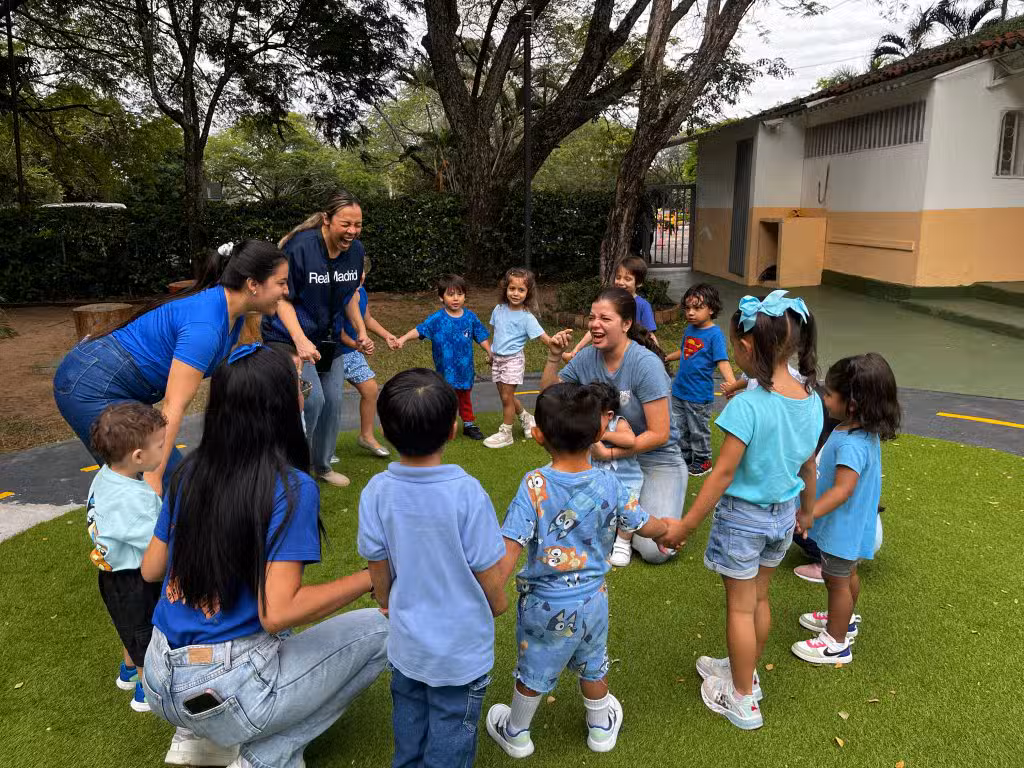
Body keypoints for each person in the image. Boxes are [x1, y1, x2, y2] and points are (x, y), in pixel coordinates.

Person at [140, 344, 388, 768]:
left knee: (274, 628)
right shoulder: (289, 487)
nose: (303, 393)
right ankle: (263, 759)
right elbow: (278, 611)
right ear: (280, 405)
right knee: (383, 630)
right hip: (226, 688)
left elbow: (151, 570)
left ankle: (197, 739)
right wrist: (371, 577)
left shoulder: (189, 471)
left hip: (158, 678)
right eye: (300, 387)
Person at [658, 290, 822, 730]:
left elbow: (722, 474)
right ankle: (744, 672)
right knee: (759, 599)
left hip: (743, 521)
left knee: (740, 608)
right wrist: (807, 513)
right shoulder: (809, 397)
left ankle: (742, 697)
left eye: (735, 348)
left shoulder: (748, 407)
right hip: (783, 516)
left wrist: (686, 526)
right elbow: (809, 465)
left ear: (748, 347)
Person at [485, 383, 669, 758]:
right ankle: (600, 728)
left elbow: (510, 547)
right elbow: (642, 523)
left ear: (538, 435)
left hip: (544, 605)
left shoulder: (534, 485)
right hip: (593, 600)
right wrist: (667, 529)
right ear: (600, 431)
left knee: (535, 669)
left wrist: (490, 593)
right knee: (593, 662)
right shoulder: (609, 483)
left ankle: (516, 732)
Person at [357, 368, 508, 767]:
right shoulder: (467, 493)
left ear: (385, 432)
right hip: (461, 651)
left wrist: (385, 601)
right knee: (450, 737)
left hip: (408, 644)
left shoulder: (376, 491)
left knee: (409, 729)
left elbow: (377, 562)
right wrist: (498, 603)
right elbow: (486, 569)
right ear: (453, 430)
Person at [54, 239, 289, 494]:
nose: (286, 291)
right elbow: (173, 406)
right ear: (253, 284)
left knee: (175, 484)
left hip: (110, 380)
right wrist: (153, 478)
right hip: (91, 386)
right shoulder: (205, 327)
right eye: (281, 283)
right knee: (156, 485)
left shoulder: (231, 313)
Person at [543, 287, 684, 565]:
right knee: (563, 515)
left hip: (656, 458)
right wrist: (553, 357)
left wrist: (609, 453)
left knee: (653, 550)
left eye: (605, 318)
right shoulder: (586, 358)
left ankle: (651, 503)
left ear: (626, 324)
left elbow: (660, 434)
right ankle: (621, 515)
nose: (595, 324)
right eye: (592, 317)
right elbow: (550, 398)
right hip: (601, 459)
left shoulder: (646, 364)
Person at [791, 353, 900, 665]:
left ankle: (835, 642)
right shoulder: (857, 431)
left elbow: (843, 489)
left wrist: (810, 513)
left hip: (843, 527)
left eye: (829, 393)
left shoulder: (852, 443)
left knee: (836, 580)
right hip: (848, 525)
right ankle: (845, 620)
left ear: (851, 404)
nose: (824, 398)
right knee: (845, 574)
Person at [261, 189, 371, 488]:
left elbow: (348, 295)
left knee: (333, 401)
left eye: (358, 225)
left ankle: (322, 466)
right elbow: (281, 299)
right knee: (312, 401)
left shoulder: (356, 252)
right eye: (345, 224)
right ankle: (294, 469)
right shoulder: (300, 248)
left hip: (328, 339)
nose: (352, 231)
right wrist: (299, 341)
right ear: (326, 219)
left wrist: (360, 330)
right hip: (287, 336)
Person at [86, 403, 166, 714]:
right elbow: (157, 545)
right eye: (160, 445)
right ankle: (148, 692)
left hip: (111, 575)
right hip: (135, 579)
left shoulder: (106, 476)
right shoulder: (134, 501)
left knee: (129, 626)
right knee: (145, 633)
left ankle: (128, 671)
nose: (164, 450)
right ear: (138, 457)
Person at [392, 274, 493, 440]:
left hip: (465, 369)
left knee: (464, 396)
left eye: (460, 294)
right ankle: (446, 424)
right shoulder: (437, 319)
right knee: (446, 398)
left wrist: (489, 351)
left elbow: (481, 336)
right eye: (450, 294)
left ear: (465, 296)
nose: (456, 298)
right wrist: (402, 339)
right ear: (441, 297)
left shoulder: (470, 317)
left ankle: (469, 424)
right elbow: (420, 330)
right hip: (445, 370)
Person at [484, 267, 564, 449]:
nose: (515, 293)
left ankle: (506, 433)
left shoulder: (527, 317)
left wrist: (559, 349)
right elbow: (496, 332)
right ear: (505, 288)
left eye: (521, 290)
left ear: (528, 293)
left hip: (513, 360)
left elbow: (545, 338)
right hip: (498, 359)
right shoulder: (498, 309)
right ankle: (527, 419)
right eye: (512, 288)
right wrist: (492, 353)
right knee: (506, 396)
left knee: (506, 397)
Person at [665, 283, 736, 477]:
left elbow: (722, 361)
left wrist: (732, 384)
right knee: (680, 426)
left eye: (697, 308)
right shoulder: (690, 329)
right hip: (679, 390)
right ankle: (685, 456)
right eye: (688, 308)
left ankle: (703, 460)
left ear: (711, 309)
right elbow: (684, 351)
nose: (690, 312)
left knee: (698, 429)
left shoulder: (715, 335)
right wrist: (667, 357)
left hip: (699, 394)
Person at [338, 256, 397, 458]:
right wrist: (357, 344)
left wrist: (387, 335)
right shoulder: (336, 295)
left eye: (362, 270)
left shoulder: (361, 292)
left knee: (370, 389)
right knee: (329, 400)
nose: (361, 275)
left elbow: (367, 319)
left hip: (352, 353)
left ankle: (366, 436)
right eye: (356, 271)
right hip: (332, 354)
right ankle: (322, 447)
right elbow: (337, 332)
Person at [588, 382, 644, 568]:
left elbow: (630, 440)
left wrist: (603, 435)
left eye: (591, 414)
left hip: (626, 479)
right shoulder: (587, 426)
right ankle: (600, 542)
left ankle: (623, 543)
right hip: (599, 481)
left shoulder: (618, 423)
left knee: (628, 510)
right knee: (596, 509)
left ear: (609, 414)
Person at [563, 256, 659, 362]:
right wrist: (576, 350)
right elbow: (596, 328)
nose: (621, 282)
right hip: (610, 347)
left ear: (639, 283)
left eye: (627, 279)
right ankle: (574, 355)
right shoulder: (609, 302)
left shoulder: (643, 305)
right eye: (618, 277)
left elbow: (650, 335)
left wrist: (659, 358)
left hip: (632, 353)